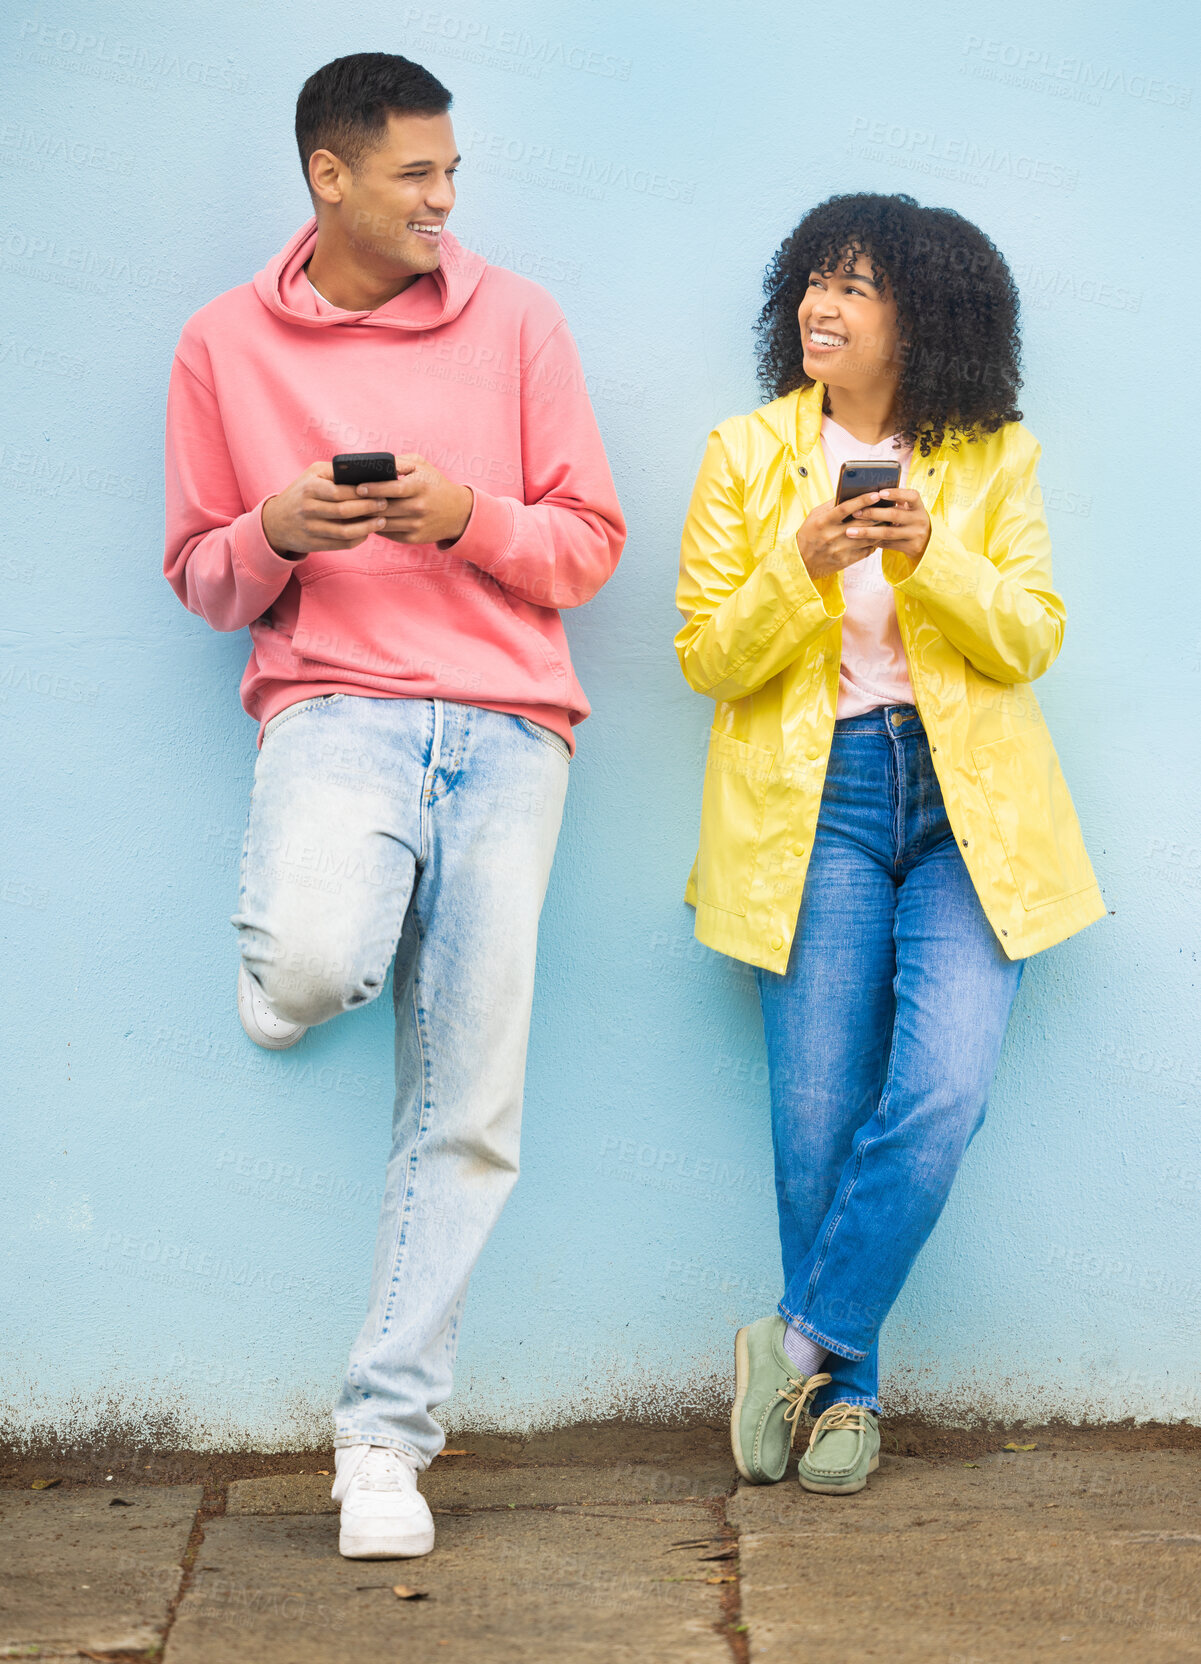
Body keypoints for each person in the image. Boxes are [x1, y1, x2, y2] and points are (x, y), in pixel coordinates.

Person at [163, 52, 624, 1557]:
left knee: (468, 1099)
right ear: (330, 176)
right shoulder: (223, 348)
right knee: (309, 964)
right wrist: (275, 529)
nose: (442, 199)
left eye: (451, 175)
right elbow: (199, 576)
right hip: (334, 709)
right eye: (416, 174)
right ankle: (299, 969)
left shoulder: (519, 320)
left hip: (507, 727)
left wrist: (466, 517)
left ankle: (381, 1438)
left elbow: (587, 543)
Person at [674, 192, 1104, 1495]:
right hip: (818, 807)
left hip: (971, 813)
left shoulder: (988, 458)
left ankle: (795, 1341)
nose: (822, 303)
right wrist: (798, 567)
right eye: (812, 279)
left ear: (923, 315)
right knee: (814, 1122)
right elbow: (704, 656)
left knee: (936, 1096)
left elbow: (1029, 633)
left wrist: (933, 560)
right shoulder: (744, 452)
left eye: (855, 286)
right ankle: (843, 1409)